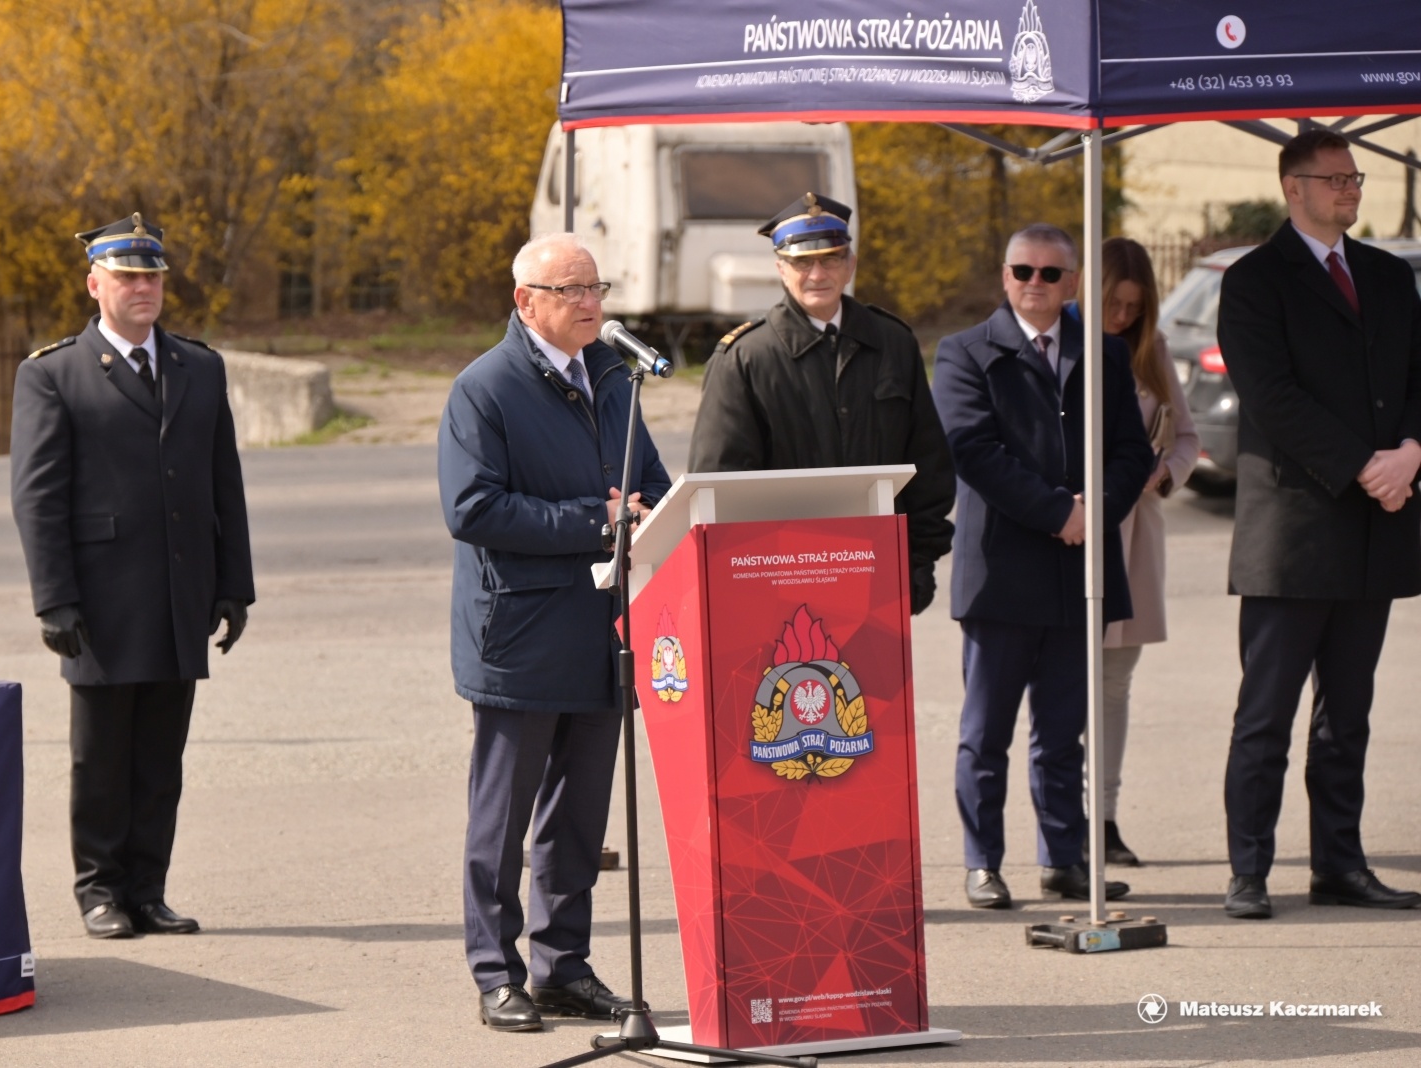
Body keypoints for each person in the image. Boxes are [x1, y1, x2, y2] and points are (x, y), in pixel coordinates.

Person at [438, 233, 672, 1031]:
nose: (589, 303)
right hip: (520, 633)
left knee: (579, 818)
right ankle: (495, 971)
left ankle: (563, 968)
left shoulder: (615, 378)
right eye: (569, 289)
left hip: (604, 630)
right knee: (502, 820)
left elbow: (654, 486)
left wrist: (655, 513)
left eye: (595, 286)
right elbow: (472, 510)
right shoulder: (486, 388)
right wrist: (596, 520)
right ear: (525, 301)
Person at [10, 213, 254, 939]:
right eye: (126, 277)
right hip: (102, 601)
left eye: (151, 276)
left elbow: (224, 484)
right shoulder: (52, 374)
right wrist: (54, 599)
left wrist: (233, 585)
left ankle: (148, 889)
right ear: (95, 285)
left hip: (180, 593)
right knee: (101, 757)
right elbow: (37, 497)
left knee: (159, 758)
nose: (143, 288)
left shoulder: (198, 367)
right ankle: (100, 891)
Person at [1217, 130, 1421, 920]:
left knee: (1349, 715)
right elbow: (1273, 399)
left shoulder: (1386, 274)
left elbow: (1414, 377)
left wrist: (1409, 450)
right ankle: (1249, 871)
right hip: (1295, 535)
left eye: (1355, 177)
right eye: (1334, 179)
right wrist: (1364, 465)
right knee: (1265, 716)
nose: (1350, 190)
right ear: (1291, 188)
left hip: (1376, 526)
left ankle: (1340, 864)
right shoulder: (1254, 281)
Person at [932, 224, 1153, 909]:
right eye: (1023, 271)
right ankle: (982, 862)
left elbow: (1132, 450)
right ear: (1005, 277)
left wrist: (1097, 509)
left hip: (1079, 571)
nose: (1035, 284)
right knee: (986, 733)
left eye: (1051, 274)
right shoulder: (964, 352)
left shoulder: (1106, 354)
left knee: (1063, 732)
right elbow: (973, 451)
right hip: (1004, 571)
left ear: (1073, 282)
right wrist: (1060, 512)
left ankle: (1064, 858)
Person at [688, 192, 956, 615]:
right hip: (780, 582)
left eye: (830, 259)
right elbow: (720, 485)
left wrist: (920, 559)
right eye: (802, 263)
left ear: (850, 264)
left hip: (879, 572)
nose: (817, 274)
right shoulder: (746, 357)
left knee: (876, 685)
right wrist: (746, 577)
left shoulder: (893, 344)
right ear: (780, 268)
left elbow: (928, 464)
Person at [1095, 237, 1201, 866]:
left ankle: (1104, 819)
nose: (1123, 317)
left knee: (1114, 687)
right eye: (1114, 303)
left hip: (1137, 537)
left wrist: (1165, 476)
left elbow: (1186, 438)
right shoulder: (1068, 346)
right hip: (1075, 532)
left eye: (1135, 307)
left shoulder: (1151, 350)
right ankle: (1067, 820)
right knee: (1065, 688)